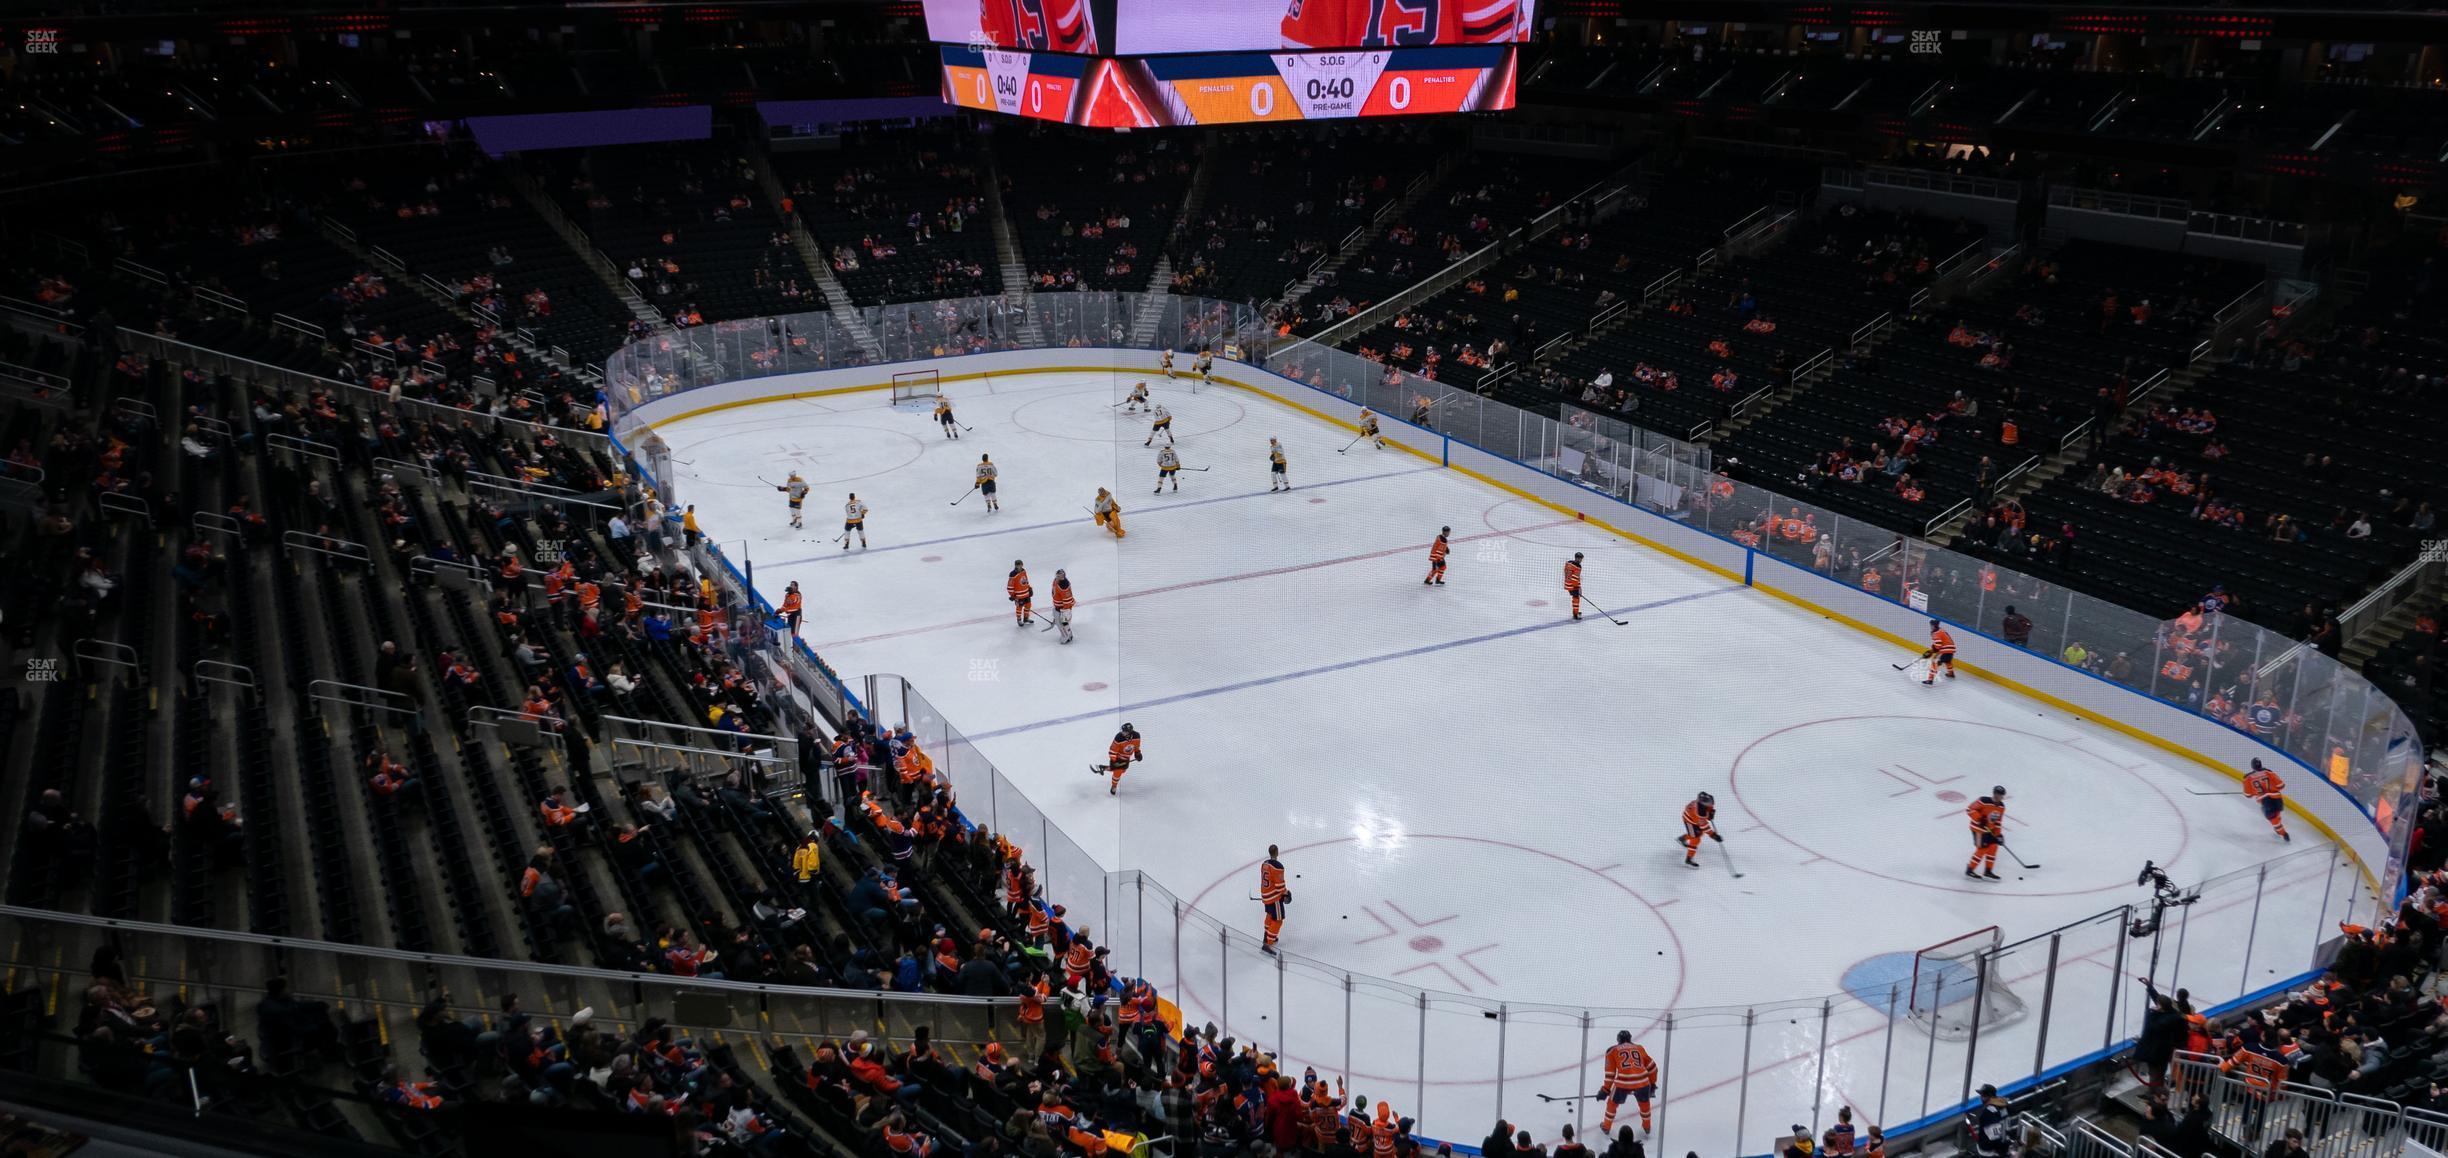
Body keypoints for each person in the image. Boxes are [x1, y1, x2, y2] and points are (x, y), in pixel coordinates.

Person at [1599, 1030, 1657, 1134]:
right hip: (1642, 1081)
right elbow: (1652, 1067)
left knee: (1612, 1103)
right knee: (1645, 1104)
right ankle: (1647, 1127)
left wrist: (1605, 1090)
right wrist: (1652, 1084)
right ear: (1630, 1038)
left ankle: (1606, 1126)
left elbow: (1610, 1075)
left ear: (1618, 1040)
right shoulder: (1639, 1048)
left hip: (1623, 1082)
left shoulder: (1612, 1051)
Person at [2243, 758, 2290, 842]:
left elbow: (2248, 795)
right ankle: (2280, 830)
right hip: (2277, 798)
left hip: (2266, 802)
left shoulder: (2248, 778)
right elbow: (2281, 785)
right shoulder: (2269, 772)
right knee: (2276, 816)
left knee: (2274, 820)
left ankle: (2284, 834)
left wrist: (2255, 791)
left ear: (2252, 766)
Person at [1965, 787, 2006, 880]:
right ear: (1994, 793)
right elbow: (1969, 809)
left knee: (1993, 846)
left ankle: (1988, 871)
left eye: (2001, 795)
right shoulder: (1983, 800)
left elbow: (1998, 822)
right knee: (1982, 849)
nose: (2000, 797)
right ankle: (1970, 869)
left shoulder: (2001, 807)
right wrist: (1979, 819)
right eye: (1998, 794)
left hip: (1989, 830)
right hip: (1978, 829)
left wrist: (1998, 835)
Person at [1258, 844, 1291, 953]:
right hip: (1274, 898)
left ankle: (1267, 936)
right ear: (1277, 852)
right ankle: (1268, 944)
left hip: (1265, 896)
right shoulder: (1278, 866)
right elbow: (1279, 886)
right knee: (1278, 920)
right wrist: (1286, 893)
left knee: (1270, 915)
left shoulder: (1264, 864)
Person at [1965, 1084, 2010, 1157]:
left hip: (1990, 1151)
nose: (1980, 1097)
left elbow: (1994, 1136)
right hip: (2004, 1143)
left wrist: (1999, 1151)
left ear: (1990, 1096)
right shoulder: (2003, 1106)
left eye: (1983, 1095)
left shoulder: (1988, 1112)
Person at [1099, 723, 1143, 795]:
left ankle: (1104, 768)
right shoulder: (1119, 737)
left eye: (1125, 731)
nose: (1122, 732)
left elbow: (1136, 746)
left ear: (1130, 732)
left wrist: (1137, 753)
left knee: (1122, 771)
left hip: (1126, 758)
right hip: (1118, 757)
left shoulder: (1137, 736)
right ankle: (1114, 786)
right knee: (1118, 772)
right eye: (1122, 731)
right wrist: (1114, 761)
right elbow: (1112, 751)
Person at [1679, 792, 1720, 869]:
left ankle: (1682, 838)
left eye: (1710, 802)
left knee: (1698, 834)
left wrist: (1711, 812)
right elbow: (1705, 827)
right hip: (1689, 821)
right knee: (1695, 839)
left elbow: (1710, 806)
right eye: (1708, 804)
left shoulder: (1702, 802)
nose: (1710, 804)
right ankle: (1688, 860)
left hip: (1694, 819)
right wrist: (1713, 835)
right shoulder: (1699, 814)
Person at [1920, 618, 1957, 684]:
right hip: (1951, 649)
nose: (1930, 626)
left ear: (1933, 625)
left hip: (1945, 649)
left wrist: (1932, 651)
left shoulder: (1936, 633)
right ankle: (1951, 673)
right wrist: (1932, 650)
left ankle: (1930, 680)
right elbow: (1938, 645)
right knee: (1947, 661)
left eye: (1931, 625)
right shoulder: (1941, 630)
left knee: (1934, 661)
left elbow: (1937, 646)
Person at [1051, 569, 1077, 644]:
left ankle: (1066, 637)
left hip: (1063, 608)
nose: (1058, 577)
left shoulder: (1064, 585)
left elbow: (1068, 600)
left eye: (1060, 575)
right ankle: (1069, 635)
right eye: (1057, 575)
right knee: (1062, 622)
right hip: (1058, 606)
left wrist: (1065, 611)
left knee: (1063, 623)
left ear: (1063, 576)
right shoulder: (1056, 580)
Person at [1008, 560, 1035, 628]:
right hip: (1018, 596)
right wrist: (1012, 595)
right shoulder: (1012, 574)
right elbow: (1010, 586)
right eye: (1017, 565)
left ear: (1022, 565)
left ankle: (1026, 619)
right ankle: (1019, 620)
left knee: (1028, 606)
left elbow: (1026, 581)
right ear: (1015, 565)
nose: (1018, 566)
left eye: (1019, 564)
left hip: (1026, 593)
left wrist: (1029, 588)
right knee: (1019, 608)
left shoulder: (1024, 571)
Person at [1565, 552, 1585, 620]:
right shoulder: (1578, 567)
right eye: (1581, 559)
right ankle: (1575, 615)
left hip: (1567, 584)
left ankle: (1575, 612)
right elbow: (1575, 578)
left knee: (1575, 598)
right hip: (1573, 586)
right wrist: (1578, 588)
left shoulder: (1568, 563)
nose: (1581, 560)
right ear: (1578, 558)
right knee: (1576, 599)